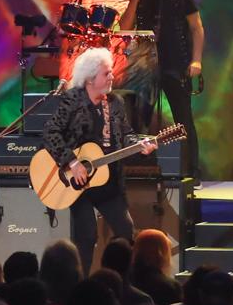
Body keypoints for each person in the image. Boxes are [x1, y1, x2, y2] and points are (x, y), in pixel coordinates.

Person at [42, 48, 157, 274]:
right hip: (78, 184)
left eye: (111, 72)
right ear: (90, 78)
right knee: (86, 237)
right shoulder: (72, 100)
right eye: (107, 73)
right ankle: (79, 287)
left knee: (125, 231)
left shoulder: (115, 103)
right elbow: (51, 133)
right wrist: (72, 162)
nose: (112, 77)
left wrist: (140, 145)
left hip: (108, 182)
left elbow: (126, 135)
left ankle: (117, 281)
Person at [119, 0, 204, 184]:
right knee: (139, 115)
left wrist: (196, 59)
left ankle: (191, 171)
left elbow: (197, 28)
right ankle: (140, 167)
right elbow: (124, 28)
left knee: (182, 118)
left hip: (175, 63)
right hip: (145, 66)